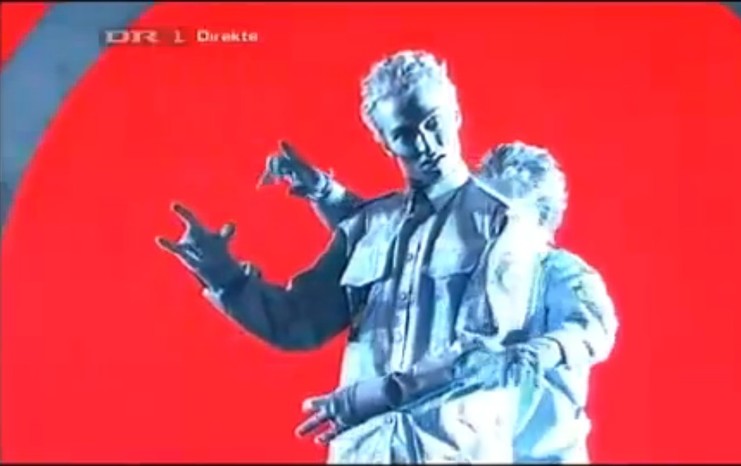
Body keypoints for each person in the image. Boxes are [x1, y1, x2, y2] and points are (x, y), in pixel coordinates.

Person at [156, 50, 614, 463]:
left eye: (433, 123)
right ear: (385, 142)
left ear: (455, 114)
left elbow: (481, 355)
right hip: (364, 451)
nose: (426, 144)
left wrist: (373, 396)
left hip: (454, 452)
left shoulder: (503, 224)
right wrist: (226, 279)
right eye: (405, 134)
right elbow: (299, 322)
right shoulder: (369, 225)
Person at [262, 141, 619, 463]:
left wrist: (537, 353)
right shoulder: (471, 263)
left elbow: (591, 328)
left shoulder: (558, 270)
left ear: (541, 222)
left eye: (506, 214)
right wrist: (325, 192)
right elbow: (389, 237)